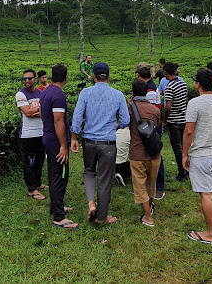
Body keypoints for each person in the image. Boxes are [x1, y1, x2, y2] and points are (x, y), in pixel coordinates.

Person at [70, 62, 129, 223]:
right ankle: (102, 217)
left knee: (89, 172)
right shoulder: (118, 95)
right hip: (108, 144)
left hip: (89, 142)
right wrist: (115, 126)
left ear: (93, 76)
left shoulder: (85, 93)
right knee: (105, 178)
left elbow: (77, 116)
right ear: (108, 76)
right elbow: (126, 120)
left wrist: (74, 137)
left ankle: (91, 203)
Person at [182, 68, 212, 244]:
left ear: (198, 84)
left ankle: (211, 233)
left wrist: (184, 154)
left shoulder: (195, 103)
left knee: (206, 193)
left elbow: (189, 132)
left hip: (201, 154)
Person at [40, 64, 77, 229]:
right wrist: (64, 145)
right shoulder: (58, 95)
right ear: (66, 78)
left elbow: (43, 114)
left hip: (48, 138)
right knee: (60, 176)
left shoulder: (46, 91)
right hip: (56, 142)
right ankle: (59, 217)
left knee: (55, 174)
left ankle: (56, 207)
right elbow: (58, 120)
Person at [128, 79, 162, 227]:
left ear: (133, 92)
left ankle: (148, 217)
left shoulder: (130, 108)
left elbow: (123, 122)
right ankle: (150, 204)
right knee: (151, 183)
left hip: (137, 153)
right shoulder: (155, 110)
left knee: (140, 184)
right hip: (154, 153)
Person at [16, 68, 48, 200]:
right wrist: (38, 111)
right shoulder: (20, 94)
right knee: (29, 161)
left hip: (41, 132)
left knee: (40, 160)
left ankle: (38, 183)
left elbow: (45, 112)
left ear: (35, 79)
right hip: (28, 134)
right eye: (24, 79)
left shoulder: (41, 93)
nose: (26, 81)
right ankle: (31, 189)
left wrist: (36, 111)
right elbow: (28, 113)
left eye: (29, 78)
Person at [136, 62, 165, 199]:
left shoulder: (150, 90)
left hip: (151, 128)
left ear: (138, 75)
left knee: (155, 155)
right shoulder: (150, 87)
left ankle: (159, 187)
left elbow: (151, 113)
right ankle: (148, 187)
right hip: (148, 127)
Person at [162, 62, 189, 181]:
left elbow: (167, 107)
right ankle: (188, 169)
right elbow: (186, 101)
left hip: (174, 121)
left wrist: (165, 120)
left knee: (177, 148)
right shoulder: (183, 84)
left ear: (165, 73)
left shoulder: (169, 87)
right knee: (185, 147)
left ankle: (182, 173)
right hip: (184, 119)